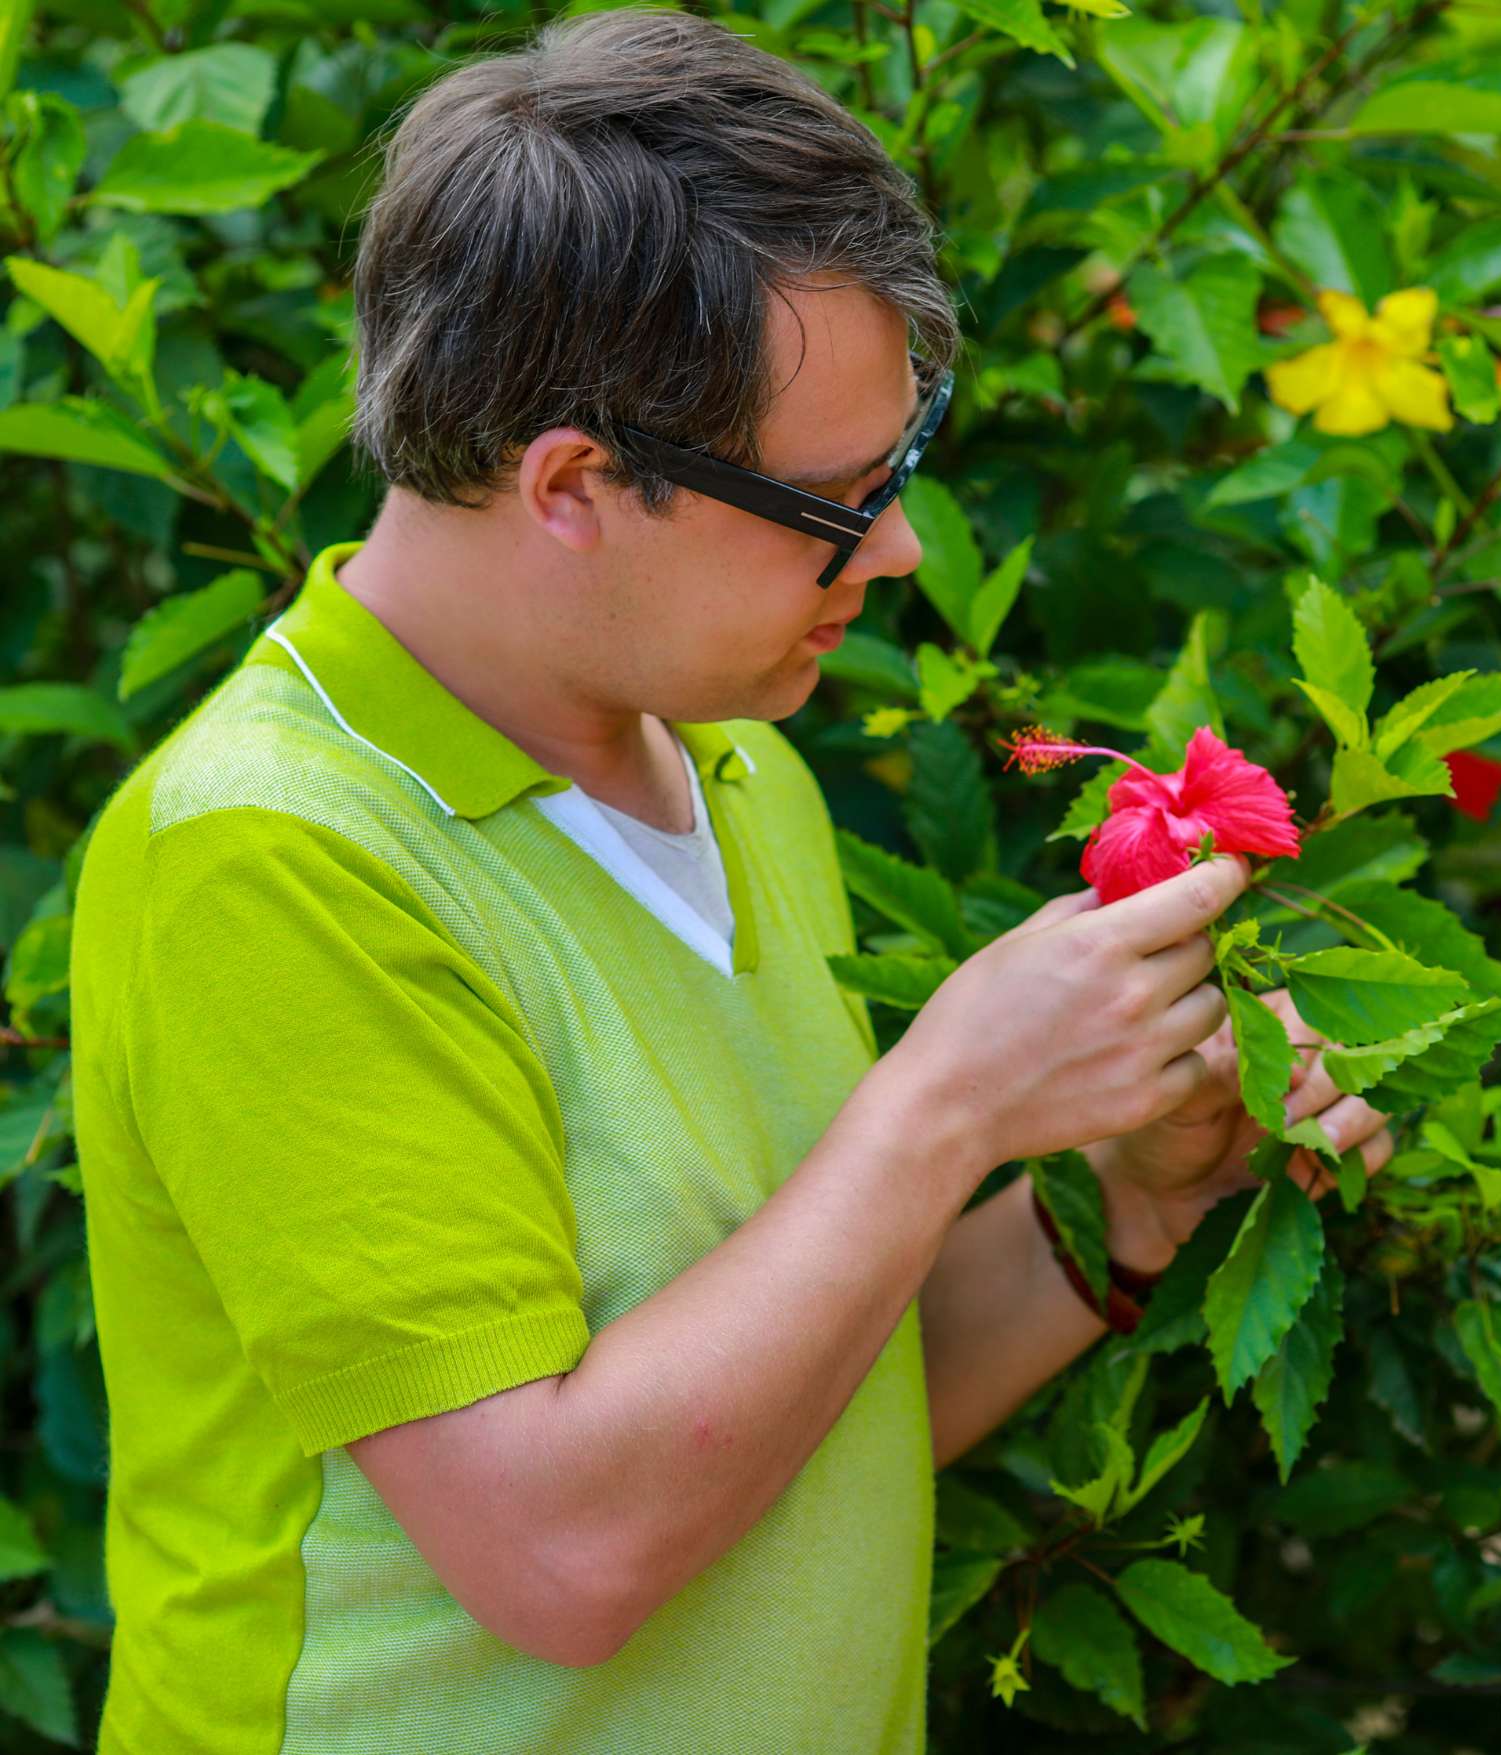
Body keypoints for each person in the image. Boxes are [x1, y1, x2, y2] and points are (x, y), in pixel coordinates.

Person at [68, 10, 1393, 1751]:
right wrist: (948, 1099)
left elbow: (782, 1407)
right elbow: (560, 1548)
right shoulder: (273, 861)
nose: (902, 548)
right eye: (843, 498)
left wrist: (1133, 1207)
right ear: (571, 487)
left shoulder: (729, 756)